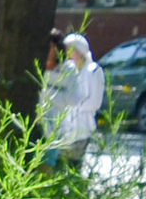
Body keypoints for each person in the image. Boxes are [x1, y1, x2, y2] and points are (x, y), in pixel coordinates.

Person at [40, 32, 104, 167]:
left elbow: (93, 102)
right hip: (63, 126)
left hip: (81, 126)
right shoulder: (67, 68)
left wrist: (63, 102)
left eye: (71, 49)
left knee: (73, 166)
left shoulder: (93, 71)